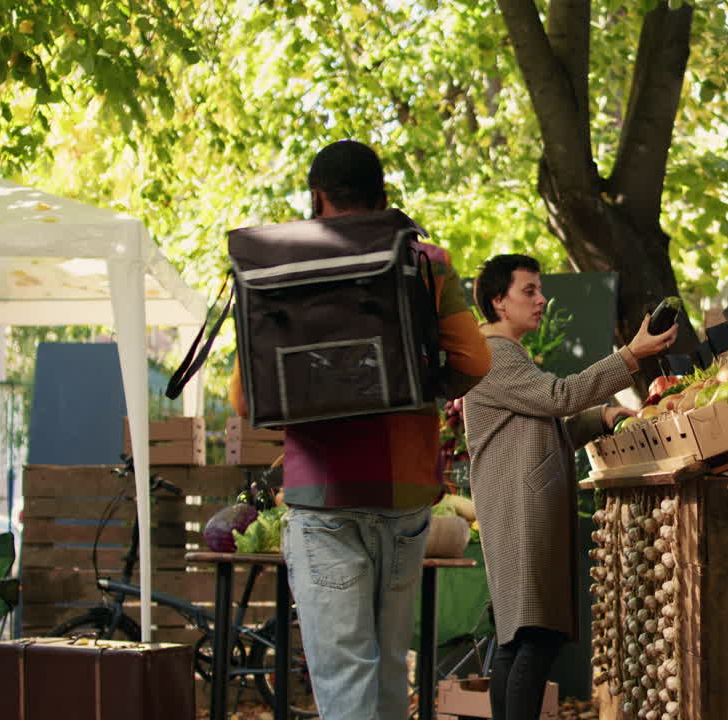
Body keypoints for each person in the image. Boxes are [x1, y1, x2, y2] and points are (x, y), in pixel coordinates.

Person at [229, 140, 492, 720]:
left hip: (322, 495)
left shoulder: (279, 266)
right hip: (404, 495)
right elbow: (475, 360)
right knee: (387, 670)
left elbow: (244, 398)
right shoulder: (427, 261)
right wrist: (423, 396)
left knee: (346, 674)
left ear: (316, 198)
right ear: (383, 198)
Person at [462, 254, 677, 720]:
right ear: (498, 301)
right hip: (520, 512)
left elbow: (536, 425)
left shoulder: (502, 354)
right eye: (530, 291)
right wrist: (631, 355)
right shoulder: (495, 355)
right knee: (535, 637)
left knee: (516, 638)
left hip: (514, 510)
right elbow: (557, 398)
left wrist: (600, 417)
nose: (541, 300)